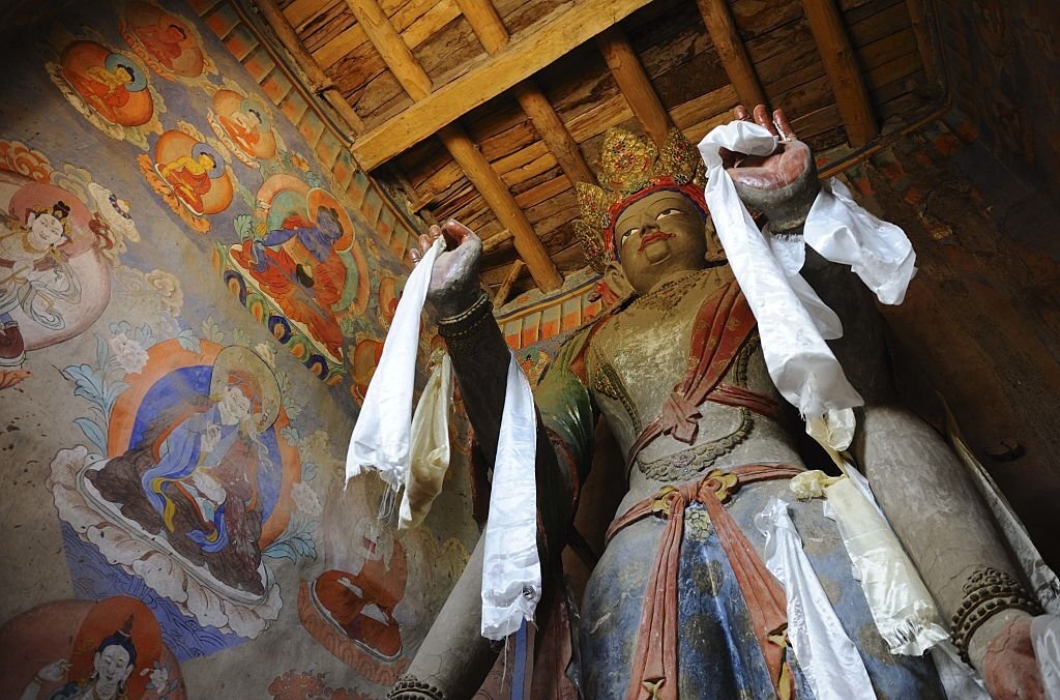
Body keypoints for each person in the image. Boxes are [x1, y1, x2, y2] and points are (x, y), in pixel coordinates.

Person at [388, 106, 1048, 700]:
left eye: (667, 214)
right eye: (630, 232)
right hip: (640, 542)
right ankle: (427, 688)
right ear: (614, 266)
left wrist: (795, 209)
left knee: (875, 668)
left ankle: (996, 629)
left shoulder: (752, 278)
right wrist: (466, 319)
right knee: (516, 526)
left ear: (708, 226)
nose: (647, 232)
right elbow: (534, 473)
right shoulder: (589, 345)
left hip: (786, 500)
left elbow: (855, 373)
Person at [87, 346, 281, 595]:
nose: (234, 409)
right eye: (234, 399)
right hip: (173, 470)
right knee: (156, 489)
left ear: (248, 417)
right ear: (224, 391)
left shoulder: (243, 447)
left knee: (214, 531)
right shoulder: (198, 411)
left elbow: (245, 491)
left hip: (207, 495)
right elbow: (166, 438)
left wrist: (222, 492)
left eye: (242, 408)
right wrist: (199, 448)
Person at [0, 201, 79, 368]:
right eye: (43, 223)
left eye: (54, 231)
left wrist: (25, 277)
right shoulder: (9, 237)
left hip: (8, 296)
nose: (46, 232)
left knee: (13, 350)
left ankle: (6, 323)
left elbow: (54, 291)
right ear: (31, 220)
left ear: (60, 240)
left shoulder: (49, 263)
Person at [21, 618, 138, 700]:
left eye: (119, 665)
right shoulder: (69, 693)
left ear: (127, 671)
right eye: (107, 661)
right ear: (97, 661)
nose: (111, 670)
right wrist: (39, 680)